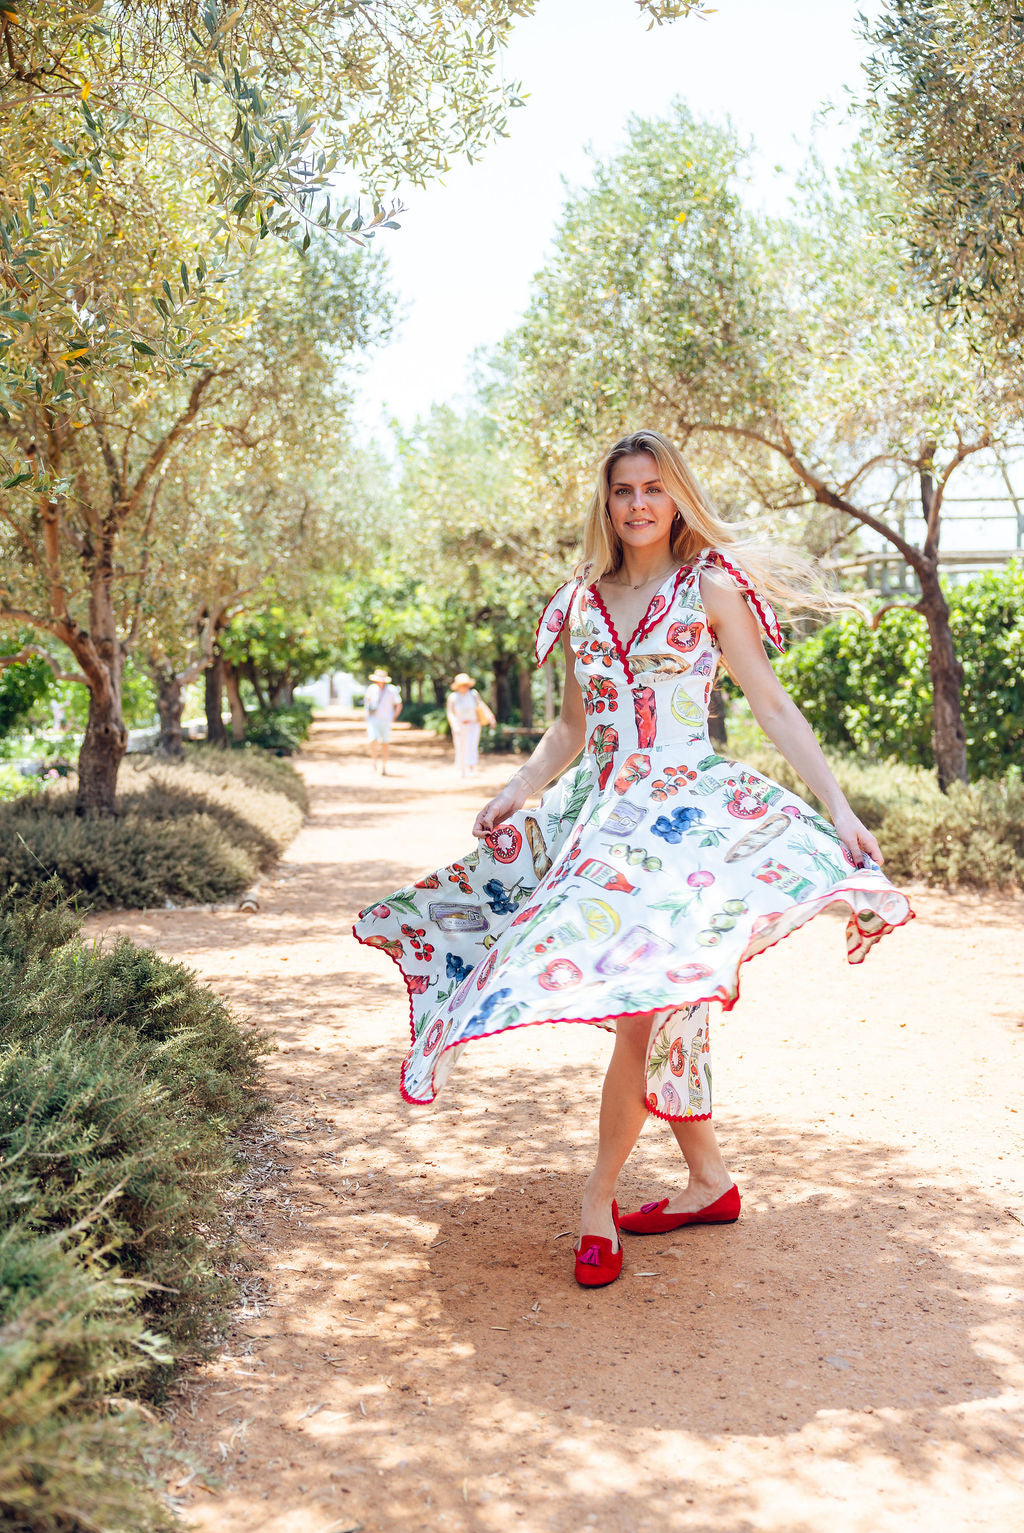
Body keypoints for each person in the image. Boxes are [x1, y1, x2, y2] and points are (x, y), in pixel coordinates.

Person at [354, 430, 912, 1289]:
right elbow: (571, 729)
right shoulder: (580, 602)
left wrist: (838, 807)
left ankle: (597, 1198)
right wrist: (520, 786)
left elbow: (771, 705)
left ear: (676, 495)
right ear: (606, 502)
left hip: (685, 827)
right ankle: (709, 1179)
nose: (639, 503)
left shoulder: (709, 587)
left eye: (653, 487)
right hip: (600, 828)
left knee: (645, 1006)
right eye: (624, 490)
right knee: (660, 999)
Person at [446, 672, 496, 778]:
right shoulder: (453, 697)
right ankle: (461, 769)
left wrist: (491, 717)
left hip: (474, 724)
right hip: (460, 725)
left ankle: (471, 768)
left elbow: (481, 705)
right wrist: (454, 725)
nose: (465, 687)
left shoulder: (473, 694)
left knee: (472, 746)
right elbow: (450, 713)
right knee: (460, 747)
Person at [363, 667, 402, 775]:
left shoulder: (392, 689)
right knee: (372, 740)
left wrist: (394, 717)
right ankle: (374, 762)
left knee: (385, 743)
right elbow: (367, 702)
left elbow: (398, 704)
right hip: (373, 719)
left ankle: (384, 766)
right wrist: (367, 714)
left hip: (386, 720)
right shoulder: (371, 689)